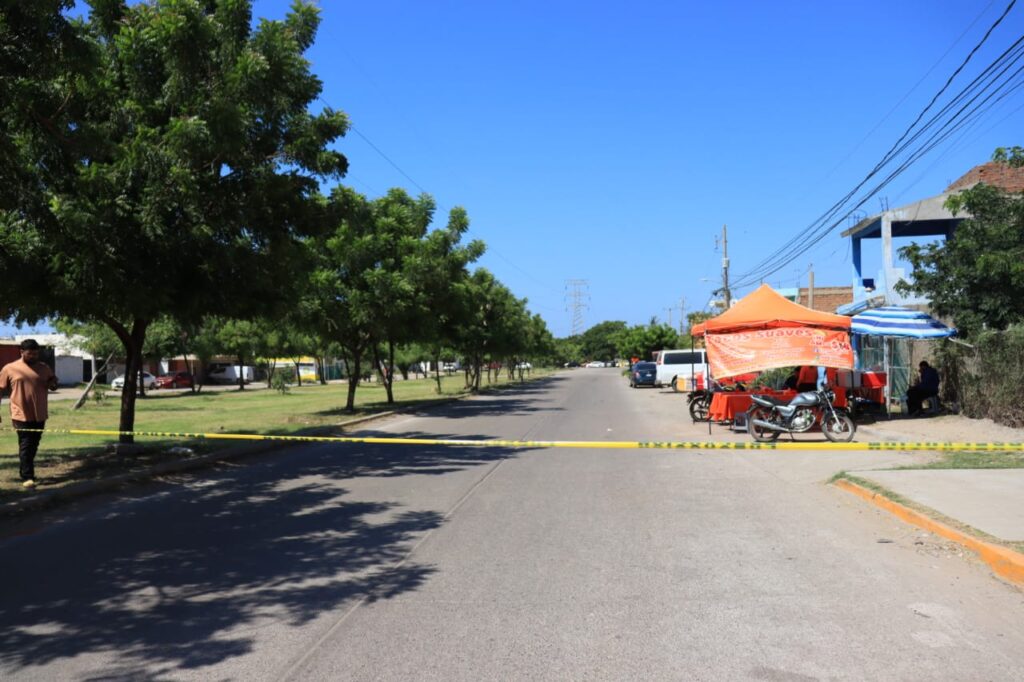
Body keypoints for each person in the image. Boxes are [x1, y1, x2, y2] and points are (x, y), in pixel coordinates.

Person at [0, 339, 59, 488]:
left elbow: (52, 384)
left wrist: (53, 383)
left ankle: (25, 470)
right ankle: (28, 477)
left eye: (36, 353)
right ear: (22, 352)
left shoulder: (44, 367)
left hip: (40, 414)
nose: (33, 356)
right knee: (26, 444)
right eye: (30, 353)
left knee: (33, 445)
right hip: (20, 413)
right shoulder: (10, 368)